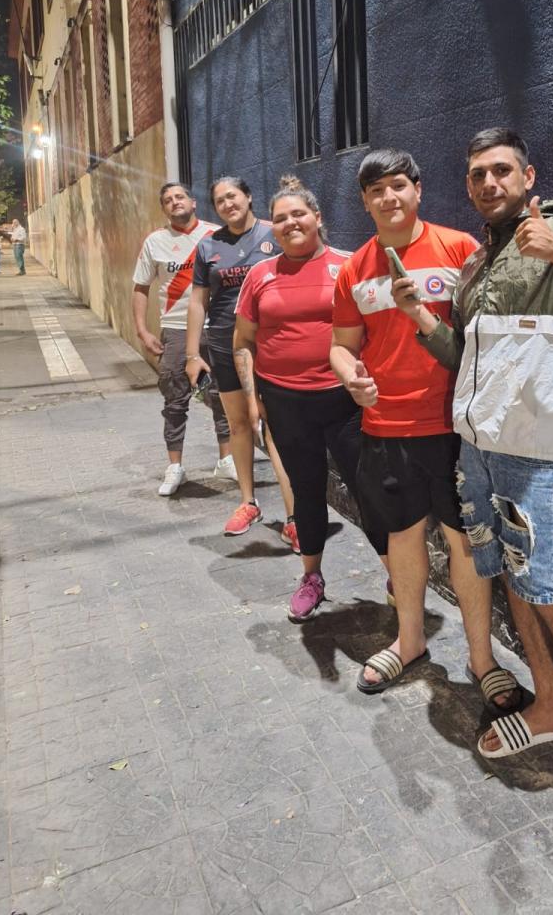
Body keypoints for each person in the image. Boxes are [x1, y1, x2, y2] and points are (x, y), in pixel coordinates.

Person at [396, 127, 553, 836]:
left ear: (528, 176)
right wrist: (419, 317)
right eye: (477, 174)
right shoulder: (477, 263)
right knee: (512, 577)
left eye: (501, 170)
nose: (488, 183)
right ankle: (547, 706)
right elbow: (468, 356)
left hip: (537, 453)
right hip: (478, 447)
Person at [330, 149, 522, 711]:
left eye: (397, 186)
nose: (388, 199)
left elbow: (484, 340)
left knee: (466, 544)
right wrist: (352, 379)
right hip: (386, 427)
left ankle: (482, 658)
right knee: (403, 537)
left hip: (455, 426)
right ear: (365, 202)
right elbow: (341, 347)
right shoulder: (354, 268)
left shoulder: (460, 248)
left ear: (417, 190)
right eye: (375, 192)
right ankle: (409, 641)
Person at [233, 176, 388, 620]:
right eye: (280, 218)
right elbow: (243, 340)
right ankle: (312, 578)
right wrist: (252, 399)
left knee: (370, 491)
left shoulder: (349, 265)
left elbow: (375, 331)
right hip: (285, 402)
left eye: (298, 214)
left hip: (344, 401)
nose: (289, 223)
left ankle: (396, 574)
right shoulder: (260, 276)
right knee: (305, 492)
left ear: (318, 218)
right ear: (272, 227)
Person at [185, 176, 295, 540]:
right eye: (219, 201)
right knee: (238, 426)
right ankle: (248, 501)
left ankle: (296, 517)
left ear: (248, 197)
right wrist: (191, 354)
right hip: (222, 344)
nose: (227, 204)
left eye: (232, 196)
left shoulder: (273, 234)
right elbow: (198, 303)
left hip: (271, 343)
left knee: (278, 427)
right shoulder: (208, 247)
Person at [132, 182, 233, 496]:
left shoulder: (217, 235)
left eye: (179, 196)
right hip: (176, 330)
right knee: (175, 398)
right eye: (167, 200)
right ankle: (175, 465)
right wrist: (142, 330)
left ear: (192, 201)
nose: (174, 202)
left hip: (215, 327)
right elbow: (140, 287)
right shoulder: (155, 242)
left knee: (221, 396)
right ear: (164, 209)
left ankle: (226, 458)